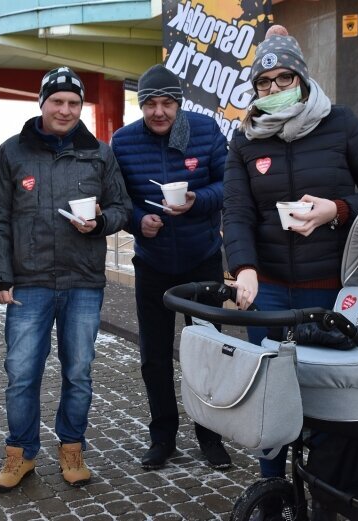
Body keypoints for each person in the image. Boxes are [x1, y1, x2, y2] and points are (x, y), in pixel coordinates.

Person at [223, 26, 358, 484]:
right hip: (270, 291)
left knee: (323, 387)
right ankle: (272, 482)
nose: (275, 90)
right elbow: (238, 211)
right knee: (267, 391)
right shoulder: (245, 139)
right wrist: (244, 267)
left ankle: (323, 483)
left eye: (284, 79)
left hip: (330, 287)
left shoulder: (340, 124)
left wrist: (336, 211)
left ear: (302, 79)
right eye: (264, 83)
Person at [0, 66, 131, 491]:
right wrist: (0, 276)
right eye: (57, 101)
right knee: (22, 372)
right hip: (28, 283)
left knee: (79, 371)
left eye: (73, 103)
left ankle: (72, 446)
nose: (65, 110)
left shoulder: (100, 153)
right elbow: (1, 221)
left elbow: (122, 207)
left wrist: (101, 222)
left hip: (82, 281)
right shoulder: (13, 152)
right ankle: (20, 453)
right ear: (42, 103)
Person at [111, 64, 232, 470]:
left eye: (166, 103)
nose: (159, 112)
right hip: (153, 263)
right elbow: (118, 199)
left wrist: (197, 201)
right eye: (150, 104)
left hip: (202, 259)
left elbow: (228, 185)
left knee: (207, 352)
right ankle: (162, 437)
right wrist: (135, 222)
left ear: (178, 103)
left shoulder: (205, 130)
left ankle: (209, 436)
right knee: (154, 356)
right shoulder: (124, 142)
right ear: (141, 105)